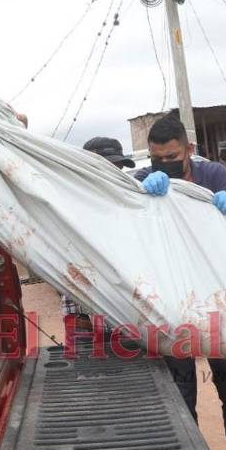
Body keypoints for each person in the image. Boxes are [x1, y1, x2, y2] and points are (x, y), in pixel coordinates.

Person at [140, 116, 226, 450]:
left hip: (218, 302)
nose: (164, 165)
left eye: (171, 156)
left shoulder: (214, 176)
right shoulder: (146, 180)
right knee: (180, 399)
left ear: (188, 149)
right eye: (157, 158)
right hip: (173, 305)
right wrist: (144, 191)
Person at [62, 137, 136, 343]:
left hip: (131, 321)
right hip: (84, 321)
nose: (114, 174)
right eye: (107, 167)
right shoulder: (67, 202)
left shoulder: (131, 204)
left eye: (118, 168)